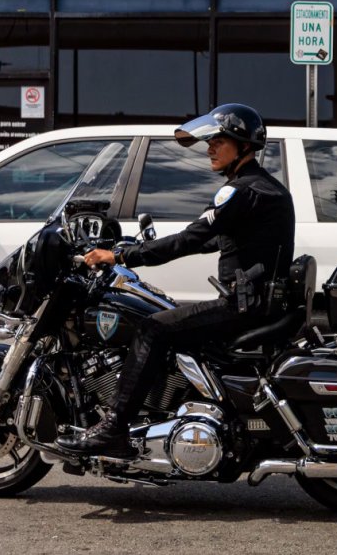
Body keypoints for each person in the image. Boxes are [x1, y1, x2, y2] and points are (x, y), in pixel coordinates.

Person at [56, 104, 296, 457]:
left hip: (242, 307)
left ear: (243, 146)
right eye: (210, 141)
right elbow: (222, 240)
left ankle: (114, 429)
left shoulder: (240, 191)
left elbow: (191, 238)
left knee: (152, 328)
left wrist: (120, 256)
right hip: (257, 302)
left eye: (218, 140)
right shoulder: (262, 188)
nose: (210, 148)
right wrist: (136, 246)